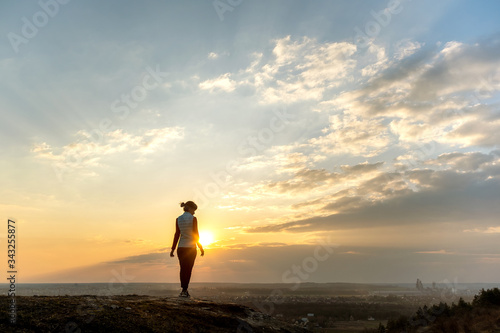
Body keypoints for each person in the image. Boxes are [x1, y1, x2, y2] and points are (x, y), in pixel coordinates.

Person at [170, 201, 204, 298]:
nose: (194, 212)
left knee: (182, 269)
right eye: (194, 210)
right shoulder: (193, 219)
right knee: (188, 269)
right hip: (191, 248)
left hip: (181, 248)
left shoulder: (178, 219)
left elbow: (177, 235)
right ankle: (185, 290)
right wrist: (200, 247)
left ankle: (183, 289)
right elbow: (195, 234)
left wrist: (173, 249)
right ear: (190, 209)